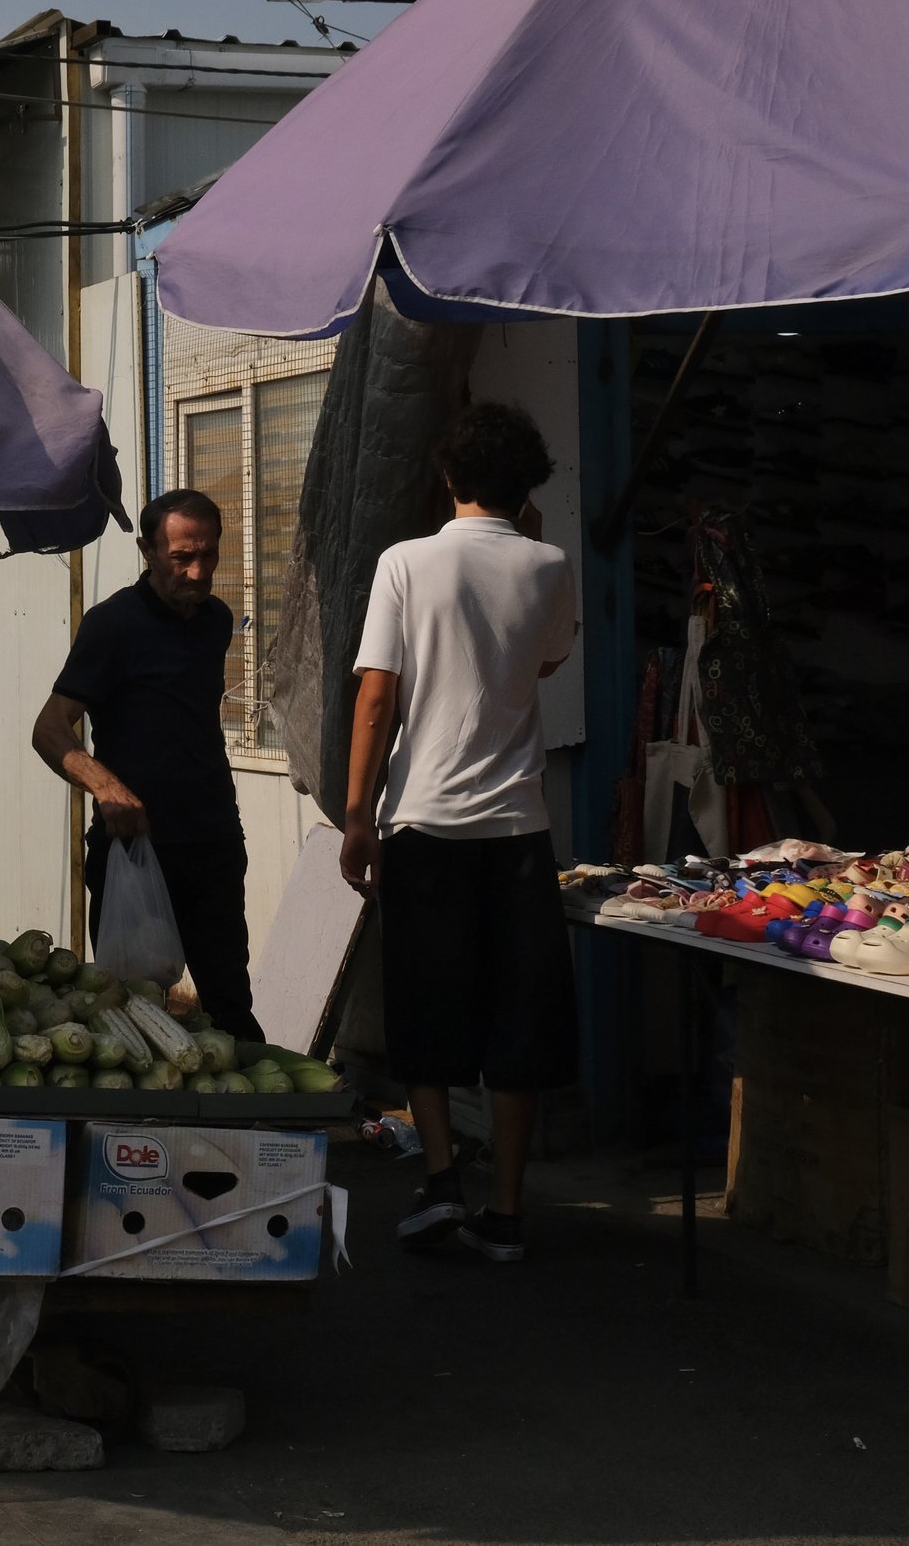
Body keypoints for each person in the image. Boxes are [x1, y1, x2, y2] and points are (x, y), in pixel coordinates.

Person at [341, 402, 579, 1263]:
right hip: (517, 828)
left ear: (447, 478)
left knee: (425, 1006)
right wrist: (532, 545)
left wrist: (356, 815)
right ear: (526, 488)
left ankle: (442, 1177)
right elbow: (546, 659)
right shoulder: (550, 564)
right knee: (518, 1020)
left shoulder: (406, 561)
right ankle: (508, 1213)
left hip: (424, 823)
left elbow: (376, 695)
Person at [32, 489, 259, 1041]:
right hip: (134, 849)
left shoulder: (217, 621)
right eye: (182, 557)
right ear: (148, 552)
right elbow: (50, 728)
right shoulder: (113, 625)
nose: (198, 571)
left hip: (211, 839)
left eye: (208, 555)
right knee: (131, 1011)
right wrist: (105, 786)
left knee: (228, 1000)